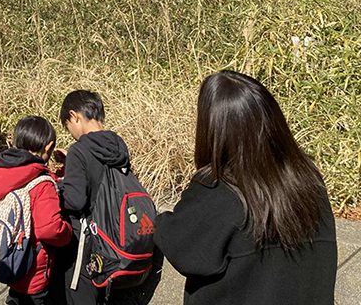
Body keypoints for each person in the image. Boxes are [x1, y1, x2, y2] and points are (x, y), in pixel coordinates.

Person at [154, 70, 337, 305]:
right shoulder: (308, 179)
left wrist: (157, 220)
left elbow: (183, 249)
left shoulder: (218, 189)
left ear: (213, 128)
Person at [0, 116, 72, 305]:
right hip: (32, 268)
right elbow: (50, 229)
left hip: (3, 257)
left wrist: (61, 171)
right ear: (49, 146)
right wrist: (69, 233)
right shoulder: (41, 184)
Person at [55, 90, 133, 305]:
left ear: (75, 116)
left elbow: (76, 200)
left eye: (67, 125)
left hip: (88, 245)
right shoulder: (118, 144)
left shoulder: (79, 150)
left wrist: (57, 188)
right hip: (116, 239)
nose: (70, 132)